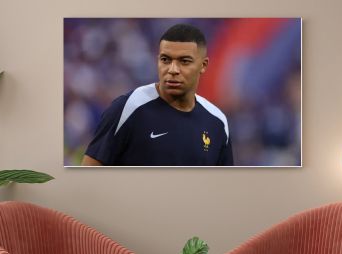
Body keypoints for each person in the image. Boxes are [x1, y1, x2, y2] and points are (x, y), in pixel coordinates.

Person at [82, 23, 233, 166]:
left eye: (184, 61)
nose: (172, 69)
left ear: (203, 65)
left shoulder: (217, 122)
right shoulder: (128, 108)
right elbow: (89, 177)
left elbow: (223, 187)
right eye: (165, 60)